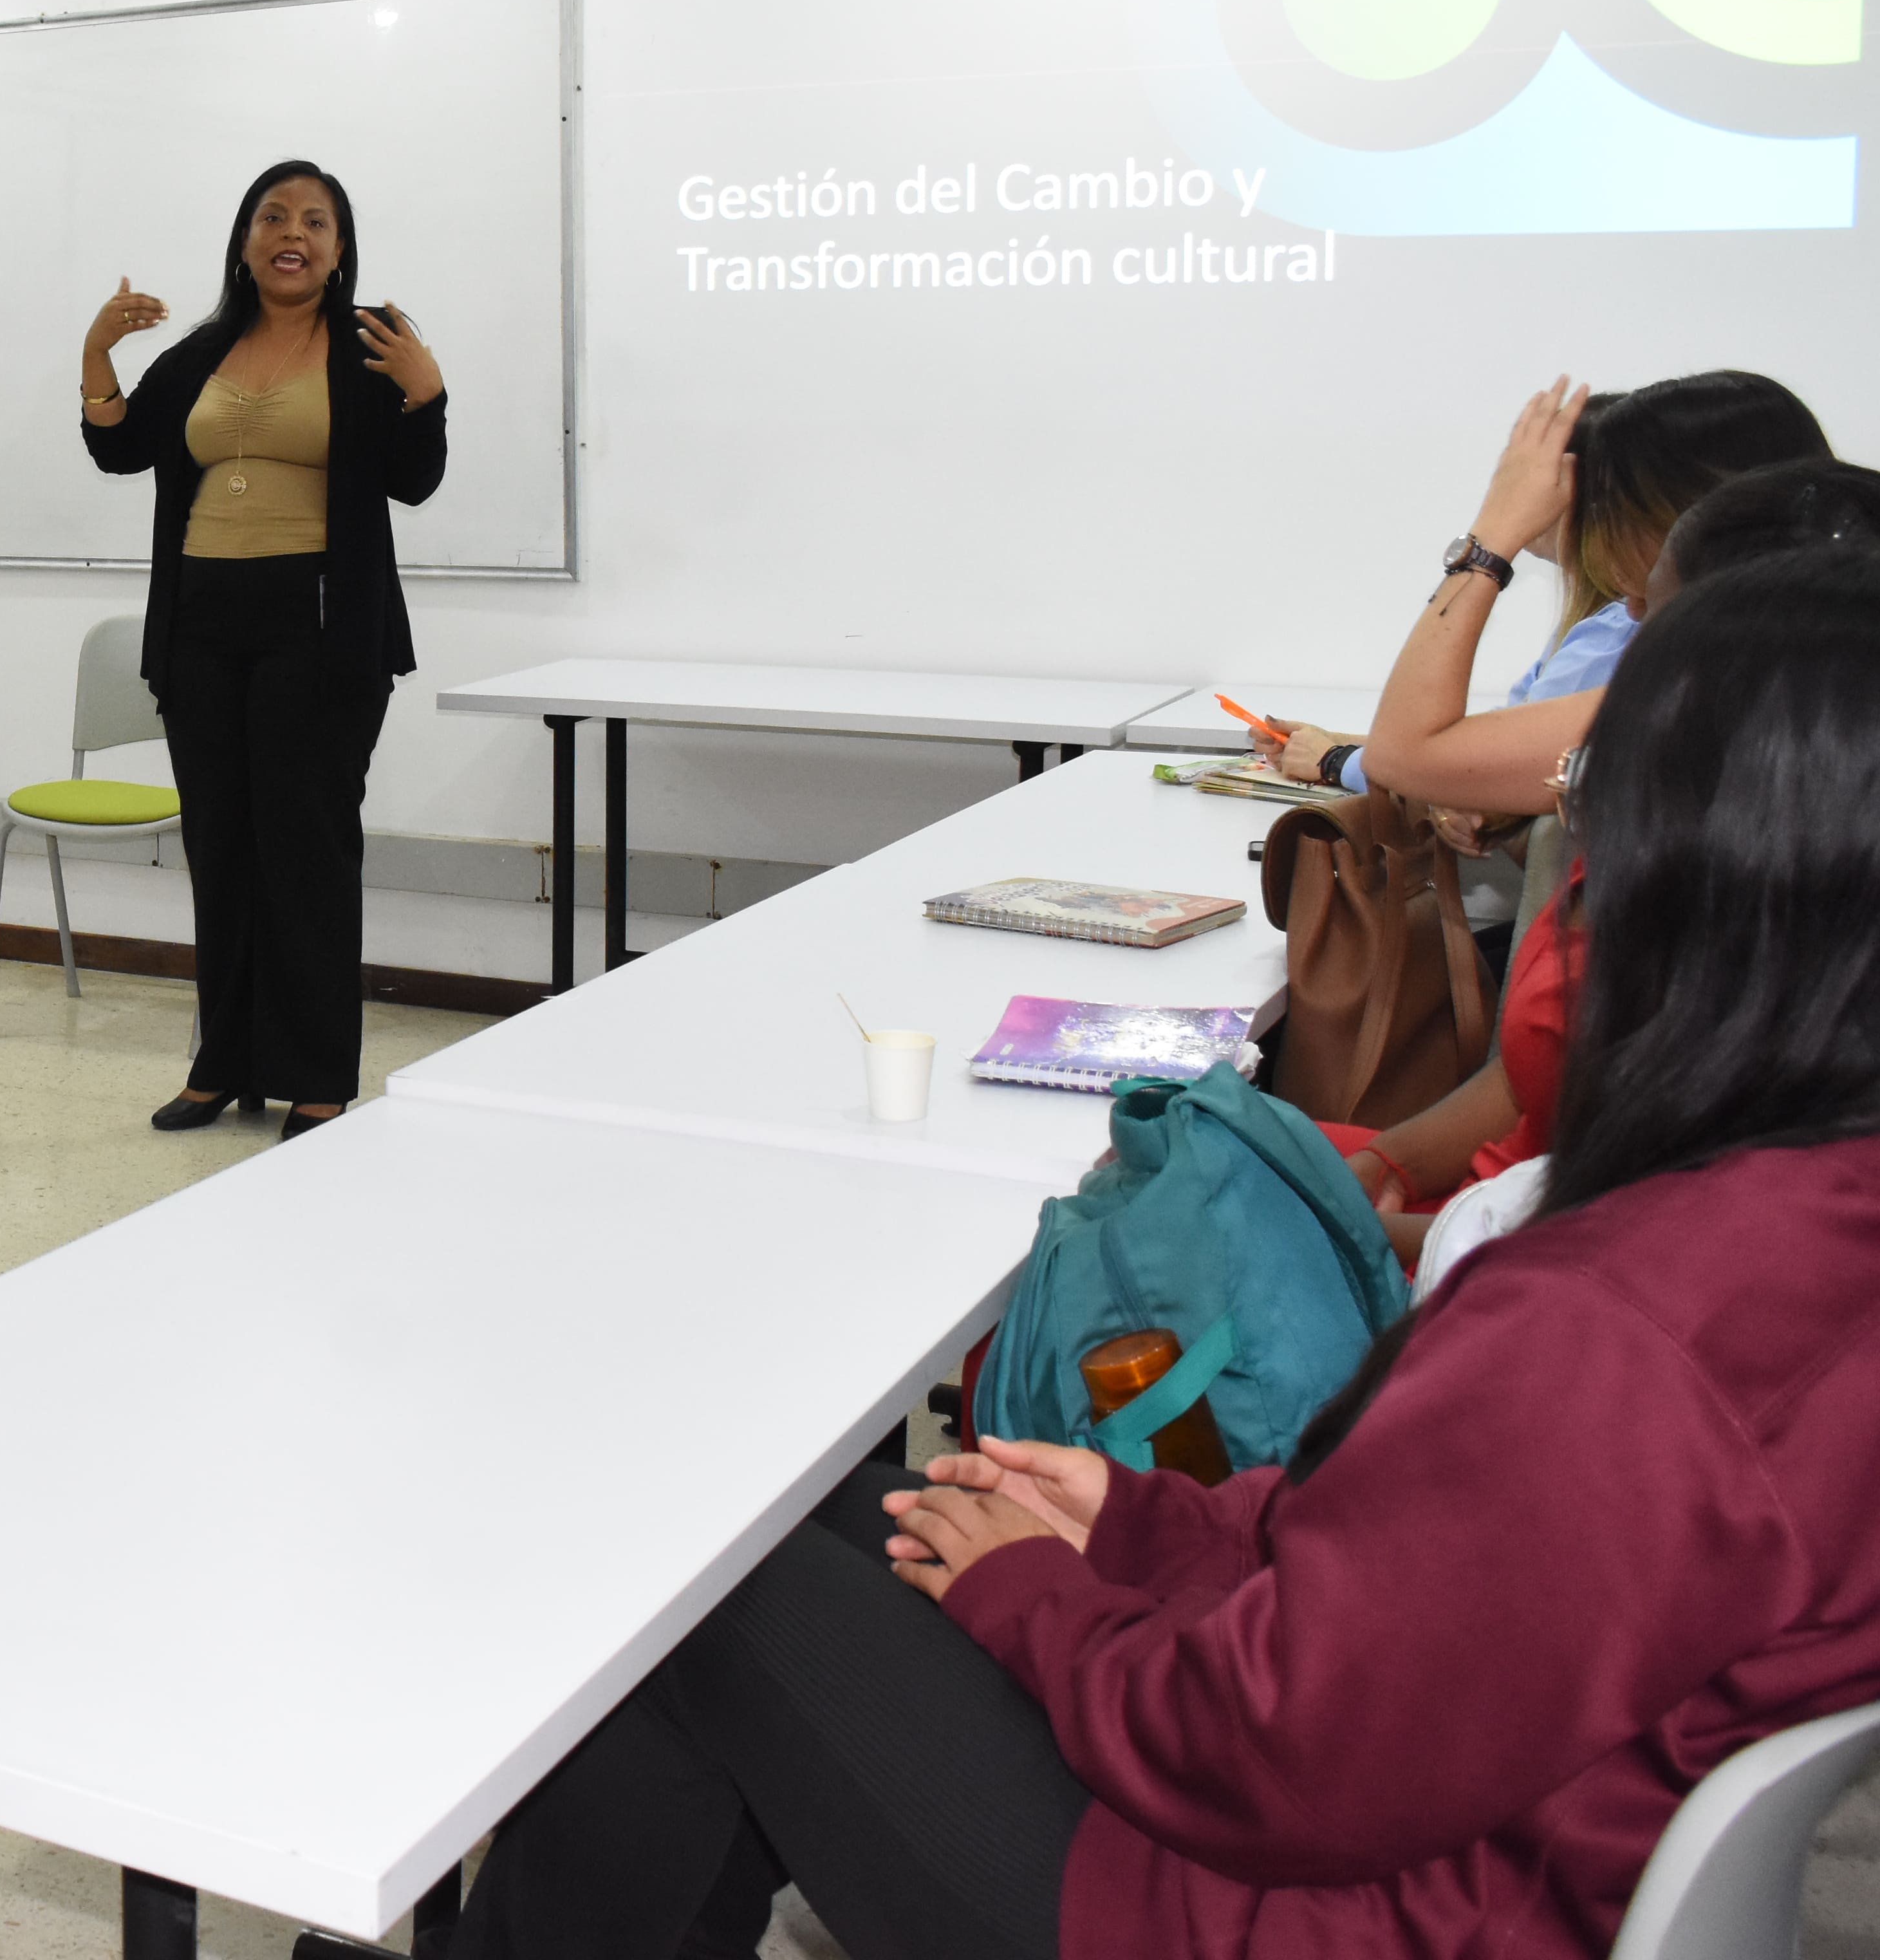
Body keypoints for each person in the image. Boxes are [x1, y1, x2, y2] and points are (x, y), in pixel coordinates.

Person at [438, 544, 1880, 1960]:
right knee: (823, 1520)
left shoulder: (1618, 1327)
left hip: (1276, 1898)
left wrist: (1039, 1599)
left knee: (707, 1571)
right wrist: (1144, 1528)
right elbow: (1440, 1571)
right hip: (1473, 1840)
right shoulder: (1803, 1230)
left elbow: (1269, 1753)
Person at [1337, 453, 1880, 1257]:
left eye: (1652, 610)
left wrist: (1489, 543)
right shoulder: (1692, 817)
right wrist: (1395, 1159)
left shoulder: (1761, 926)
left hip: (1527, 1261)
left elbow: (1624, 1243)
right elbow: (1546, 1065)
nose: (1626, 610)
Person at [80, 160, 447, 1139]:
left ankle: (319, 1075)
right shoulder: (204, 348)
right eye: (274, 217)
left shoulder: (371, 344)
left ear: (338, 249)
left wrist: (427, 396)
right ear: (246, 241)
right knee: (222, 849)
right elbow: (122, 449)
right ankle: (223, 1064)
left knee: (308, 852)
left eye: (316, 222)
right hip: (202, 628)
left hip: (321, 632)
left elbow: (414, 482)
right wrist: (96, 354)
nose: (294, 233)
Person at [1272, 370, 1827, 808]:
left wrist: (1492, 537)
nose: (1624, 592)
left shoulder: (1712, 692)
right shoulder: (1810, 662)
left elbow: (1403, 756)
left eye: (1610, 512)